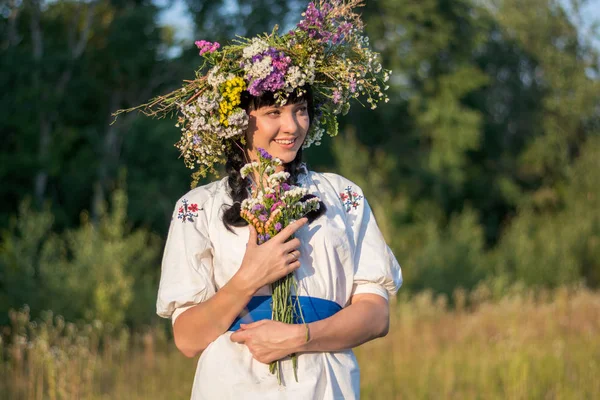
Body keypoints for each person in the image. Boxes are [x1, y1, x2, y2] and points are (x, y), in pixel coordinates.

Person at [123, 1, 402, 398]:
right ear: (239, 121)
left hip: (325, 386)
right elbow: (187, 339)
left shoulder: (344, 195)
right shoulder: (197, 208)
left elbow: (375, 317)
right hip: (232, 385)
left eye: (300, 110)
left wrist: (299, 337)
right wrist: (249, 278)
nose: (291, 126)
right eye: (274, 112)